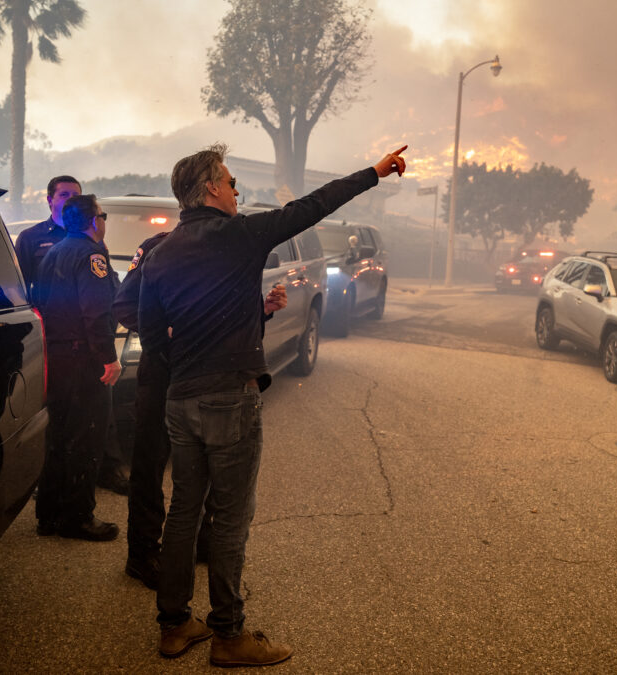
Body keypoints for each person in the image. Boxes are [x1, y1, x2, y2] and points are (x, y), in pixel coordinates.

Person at [138, 142, 406, 666]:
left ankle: (174, 626)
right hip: (228, 400)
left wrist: (246, 320)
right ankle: (229, 635)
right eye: (231, 182)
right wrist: (373, 172)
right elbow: (313, 206)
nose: (238, 190)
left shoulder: (162, 252)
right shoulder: (238, 236)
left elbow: (153, 333)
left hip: (180, 399)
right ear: (211, 187)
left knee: (183, 514)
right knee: (231, 518)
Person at [113, 230, 286, 590]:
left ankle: (204, 541)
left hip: (208, 377)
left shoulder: (228, 250)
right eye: (229, 189)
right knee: (149, 465)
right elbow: (125, 305)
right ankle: (142, 554)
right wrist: (166, 330)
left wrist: (263, 309)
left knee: (206, 462)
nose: (234, 198)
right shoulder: (159, 246)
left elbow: (227, 316)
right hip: (162, 373)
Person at [33, 194, 123, 541]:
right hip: (83, 359)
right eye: (103, 215)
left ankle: (50, 514)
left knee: (59, 437)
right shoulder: (91, 254)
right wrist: (107, 358)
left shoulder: (54, 252)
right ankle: (77, 517)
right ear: (92, 221)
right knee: (86, 438)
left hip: (56, 356)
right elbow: (96, 312)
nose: (104, 221)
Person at [15, 175, 81, 297]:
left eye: (76, 196)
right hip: (46, 313)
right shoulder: (29, 237)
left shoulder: (88, 235)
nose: (71, 199)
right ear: (50, 200)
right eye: (64, 194)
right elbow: (19, 287)